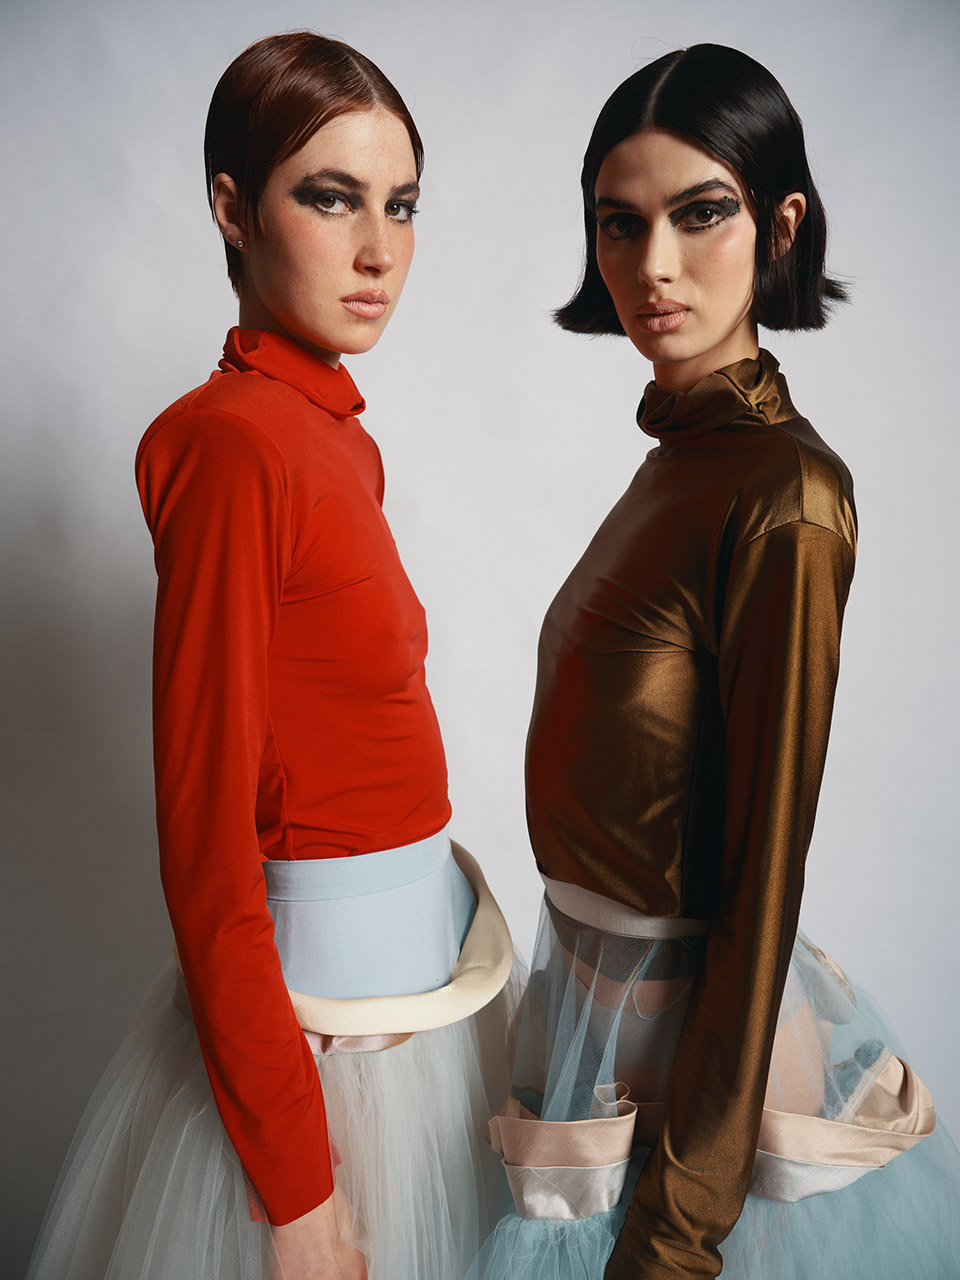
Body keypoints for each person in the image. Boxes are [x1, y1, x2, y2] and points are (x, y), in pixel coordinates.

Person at [25, 32, 518, 1280]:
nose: (380, 249)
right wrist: (297, 1193)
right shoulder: (234, 446)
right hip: (317, 1043)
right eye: (333, 197)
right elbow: (204, 841)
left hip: (415, 1000)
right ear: (233, 209)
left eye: (401, 205)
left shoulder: (333, 436)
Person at [471, 43, 960, 1280]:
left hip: (700, 1090)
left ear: (781, 225)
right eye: (620, 223)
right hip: (593, 1049)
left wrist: (682, 1224)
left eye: (701, 213)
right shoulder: (679, 461)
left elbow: (761, 881)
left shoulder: (788, 494)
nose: (653, 264)